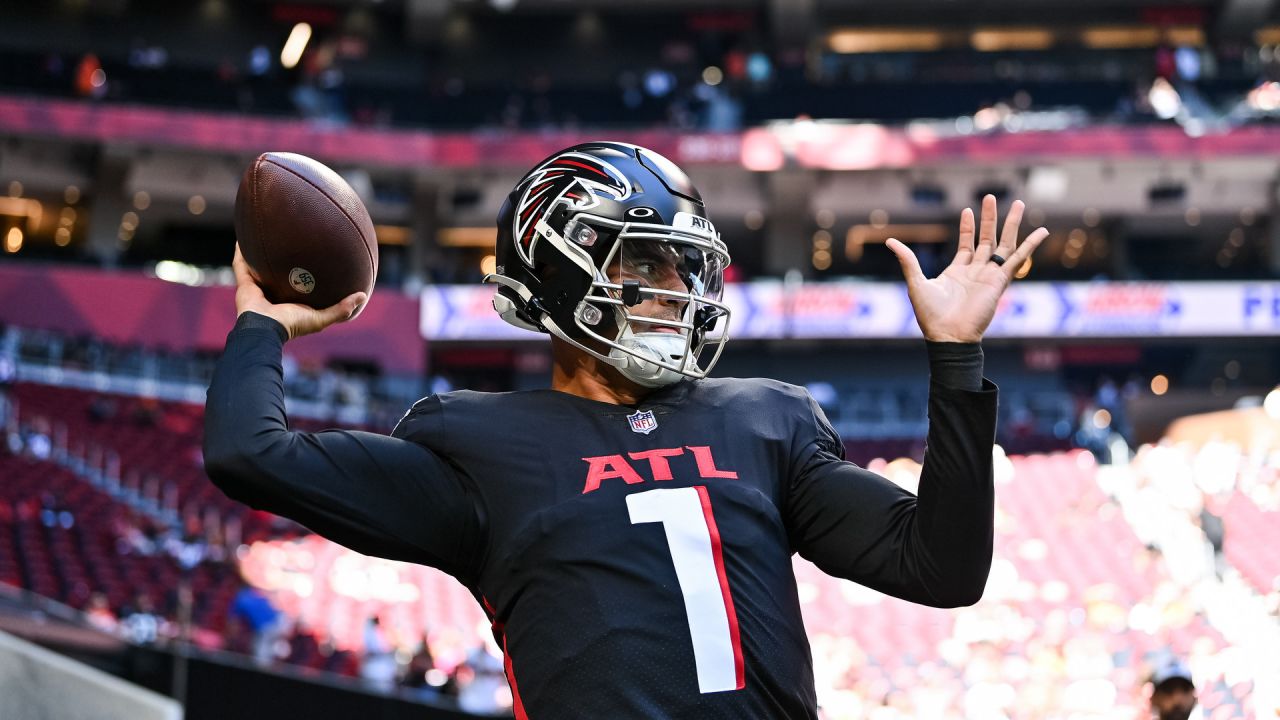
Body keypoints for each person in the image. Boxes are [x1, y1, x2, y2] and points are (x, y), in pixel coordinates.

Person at [204, 142, 1046, 718]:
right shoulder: (477, 447)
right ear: (559, 270)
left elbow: (943, 568)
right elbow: (249, 452)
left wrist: (958, 361)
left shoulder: (762, 419)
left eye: (684, 266)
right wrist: (262, 323)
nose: (673, 289)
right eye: (644, 263)